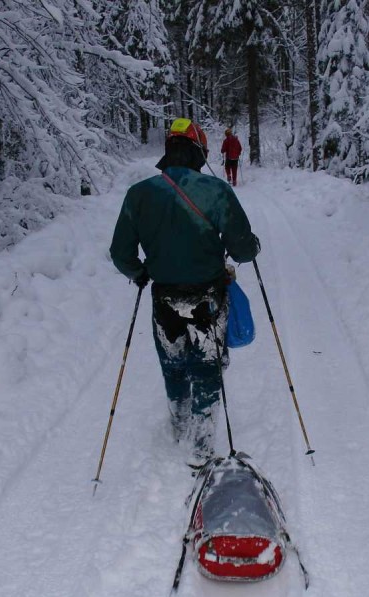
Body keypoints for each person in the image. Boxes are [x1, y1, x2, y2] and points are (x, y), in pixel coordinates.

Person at [109, 118, 260, 467]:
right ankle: (203, 446)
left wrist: (140, 272)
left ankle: (180, 425)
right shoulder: (217, 191)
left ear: (169, 151)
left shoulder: (140, 194)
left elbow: (120, 255)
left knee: (173, 363)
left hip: (164, 297)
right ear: (199, 152)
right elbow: (243, 250)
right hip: (208, 295)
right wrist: (252, 247)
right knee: (207, 365)